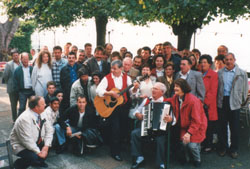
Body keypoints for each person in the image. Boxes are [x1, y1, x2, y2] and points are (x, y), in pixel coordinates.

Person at [96, 60, 138, 161]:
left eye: (115, 68)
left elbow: (131, 92)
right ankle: (115, 152)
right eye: (112, 68)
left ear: (121, 69)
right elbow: (98, 90)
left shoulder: (127, 78)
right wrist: (110, 93)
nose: (112, 70)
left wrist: (135, 89)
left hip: (124, 106)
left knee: (123, 128)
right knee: (115, 129)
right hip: (113, 108)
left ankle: (119, 147)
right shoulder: (107, 78)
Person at [166, 78, 207, 167]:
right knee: (184, 143)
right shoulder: (176, 97)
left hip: (197, 127)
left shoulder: (193, 101)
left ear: (183, 88)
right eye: (174, 86)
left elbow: (196, 121)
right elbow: (168, 100)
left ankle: (197, 159)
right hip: (185, 126)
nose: (175, 88)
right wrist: (155, 99)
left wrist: (189, 133)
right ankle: (188, 158)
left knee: (191, 145)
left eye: (177, 87)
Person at [130, 82, 170, 169]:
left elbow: (173, 119)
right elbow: (136, 111)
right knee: (135, 133)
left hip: (160, 130)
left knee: (160, 140)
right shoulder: (147, 100)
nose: (153, 90)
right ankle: (139, 157)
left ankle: (160, 164)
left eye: (156, 89)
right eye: (153, 88)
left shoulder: (167, 103)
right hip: (146, 128)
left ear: (162, 92)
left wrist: (170, 119)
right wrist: (138, 115)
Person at [217, 53, 248, 159]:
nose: (229, 61)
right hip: (222, 101)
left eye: (231, 59)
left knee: (234, 127)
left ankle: (233, 149)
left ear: (234, 60)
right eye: (227, 59)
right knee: (222, 126)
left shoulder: (241, 73)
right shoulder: (220, 72)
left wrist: (242, 101)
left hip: (234, 102)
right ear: (224, 61)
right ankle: (223, 147)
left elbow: (244, 89)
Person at [10, 96, 53, 169]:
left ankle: (37, 161)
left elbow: (49, 130)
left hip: (35, 141)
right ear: (36, 107)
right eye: (43, 104)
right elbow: (27, 141)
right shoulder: (24, 118)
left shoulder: (43, 112)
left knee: (50, 143)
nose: (45, 105)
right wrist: (39, 153)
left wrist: (46, 147)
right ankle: (18, 165)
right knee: (34, 157)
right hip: (21, 145)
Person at [199, 55, 218, 152]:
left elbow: (212, 92)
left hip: (208, 105)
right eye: (201, 62)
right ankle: (202, 143)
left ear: (209, 64)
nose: (203, 64)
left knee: (209, 126)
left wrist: (204, 102)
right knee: (200, 125)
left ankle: (209, 145)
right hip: (199, 104)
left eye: (205, 62)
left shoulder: (213, 75)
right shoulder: (198, 74)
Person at [3, 49, 20, 122]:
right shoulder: (9, 64)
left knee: (22, 105)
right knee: (13, 105)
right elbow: (5, 76)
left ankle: (20, 119)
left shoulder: (21, 63)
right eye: (14, 56)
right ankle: (14, 119)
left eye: (16, 55)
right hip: (12, 89)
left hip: (21, 88)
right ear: (12, 57)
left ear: (18, 55)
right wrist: (10, 83)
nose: (15, 57)